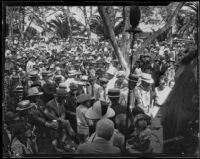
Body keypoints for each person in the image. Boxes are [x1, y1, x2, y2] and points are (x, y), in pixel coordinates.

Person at [45, 88, 76, 152]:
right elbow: (51, 117)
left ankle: (67, 141)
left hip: (60, 121)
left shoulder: (61, 101)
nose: (64, 99)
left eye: (64, 97)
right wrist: (60, 120)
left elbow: (63, 112)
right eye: (63, 98)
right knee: (64, 124)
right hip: (52, 123)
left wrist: (62, 118)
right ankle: (56, 147)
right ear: (57, 97)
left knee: (67, 124)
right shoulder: (50, 104)